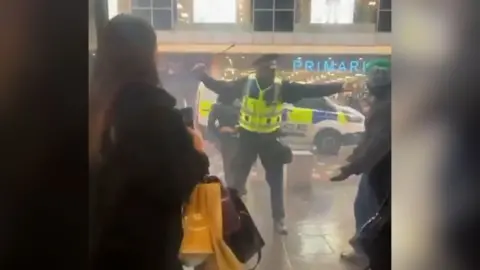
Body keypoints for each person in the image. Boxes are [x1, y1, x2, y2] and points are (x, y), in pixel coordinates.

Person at [89, 15, 209, 270]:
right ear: (147, 57)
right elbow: (180, 182)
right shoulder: (156, 115)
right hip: (144, 252)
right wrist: (196, 148)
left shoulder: (91, 108)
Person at [192, 54, 355, 234]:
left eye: (272, 69)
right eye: (267, 69)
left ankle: (279, 219)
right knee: (236, 181)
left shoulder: (281, 87)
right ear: (258, 69)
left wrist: (338, 87)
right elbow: (222, 87)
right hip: (248, 138)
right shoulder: (246, 84)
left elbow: (310, 90)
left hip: (270, 139)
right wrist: (203, 76)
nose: (270, 72)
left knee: (275, 182)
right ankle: (230, 217)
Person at [330, 58, 391, 270]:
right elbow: (370, 138)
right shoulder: (384, 103)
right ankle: (367, 251)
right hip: (380, 167)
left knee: (371, 210)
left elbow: (378, 143)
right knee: (369, 208)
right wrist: (353, 159)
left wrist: (350, 168)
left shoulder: (387, 106)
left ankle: (368, 254)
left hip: (383, 169)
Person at [207, 92, 240, 187]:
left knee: (230, 164)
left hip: (229, 139)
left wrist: (221, 131)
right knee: (232, 164)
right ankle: (234, 187)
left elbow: (211, 126)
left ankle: (233, 187)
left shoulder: (217, 108)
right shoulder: (238, 106)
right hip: (232, 140)